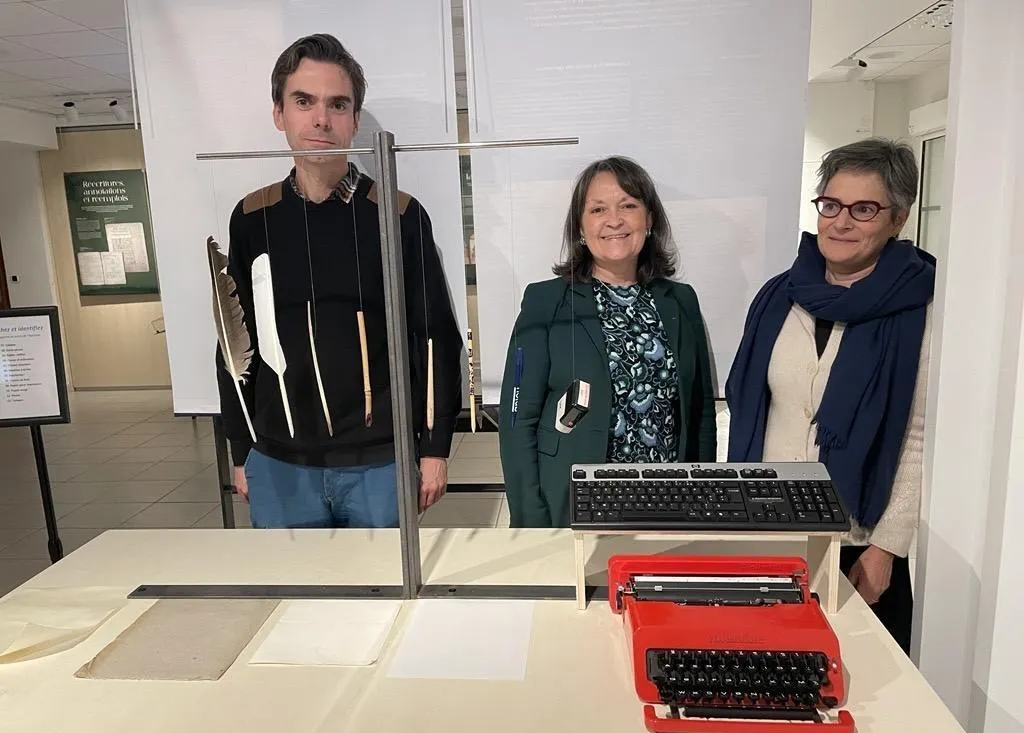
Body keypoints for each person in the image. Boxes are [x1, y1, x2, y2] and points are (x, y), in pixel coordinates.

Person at [214, 34, 463, 528]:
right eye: (303, 101)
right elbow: (233, 338)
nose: (321, 119)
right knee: (290, 581)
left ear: (354, 117)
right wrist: (241, 449)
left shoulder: (398, 215)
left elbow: (434, 336)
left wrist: (435, 447)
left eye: (337, 104)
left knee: (382, 581)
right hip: (279, 462)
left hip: (381, 461)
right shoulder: (252, 218)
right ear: (279, 114)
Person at [726, 137, 934, 654]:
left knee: (862, 678)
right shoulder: (778, 296)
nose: (841, 222)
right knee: (762, 668)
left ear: (898, 218)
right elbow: (754, 408)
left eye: (864, 209)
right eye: (831, 205)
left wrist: (886, 548)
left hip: (856, 539)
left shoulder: (921, 308)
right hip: (770, 528)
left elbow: (919, 437)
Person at [498, 156, 717, 527]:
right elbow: (517, 421)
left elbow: (700, 412)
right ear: (581, 228)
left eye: (628, 206)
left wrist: (702, 501)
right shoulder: (545, 302)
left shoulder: (681, 301)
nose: (614, 220)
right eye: (598, 209)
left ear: (649, 219)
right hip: (573, 505)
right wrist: (531, 521)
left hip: (668, 502)